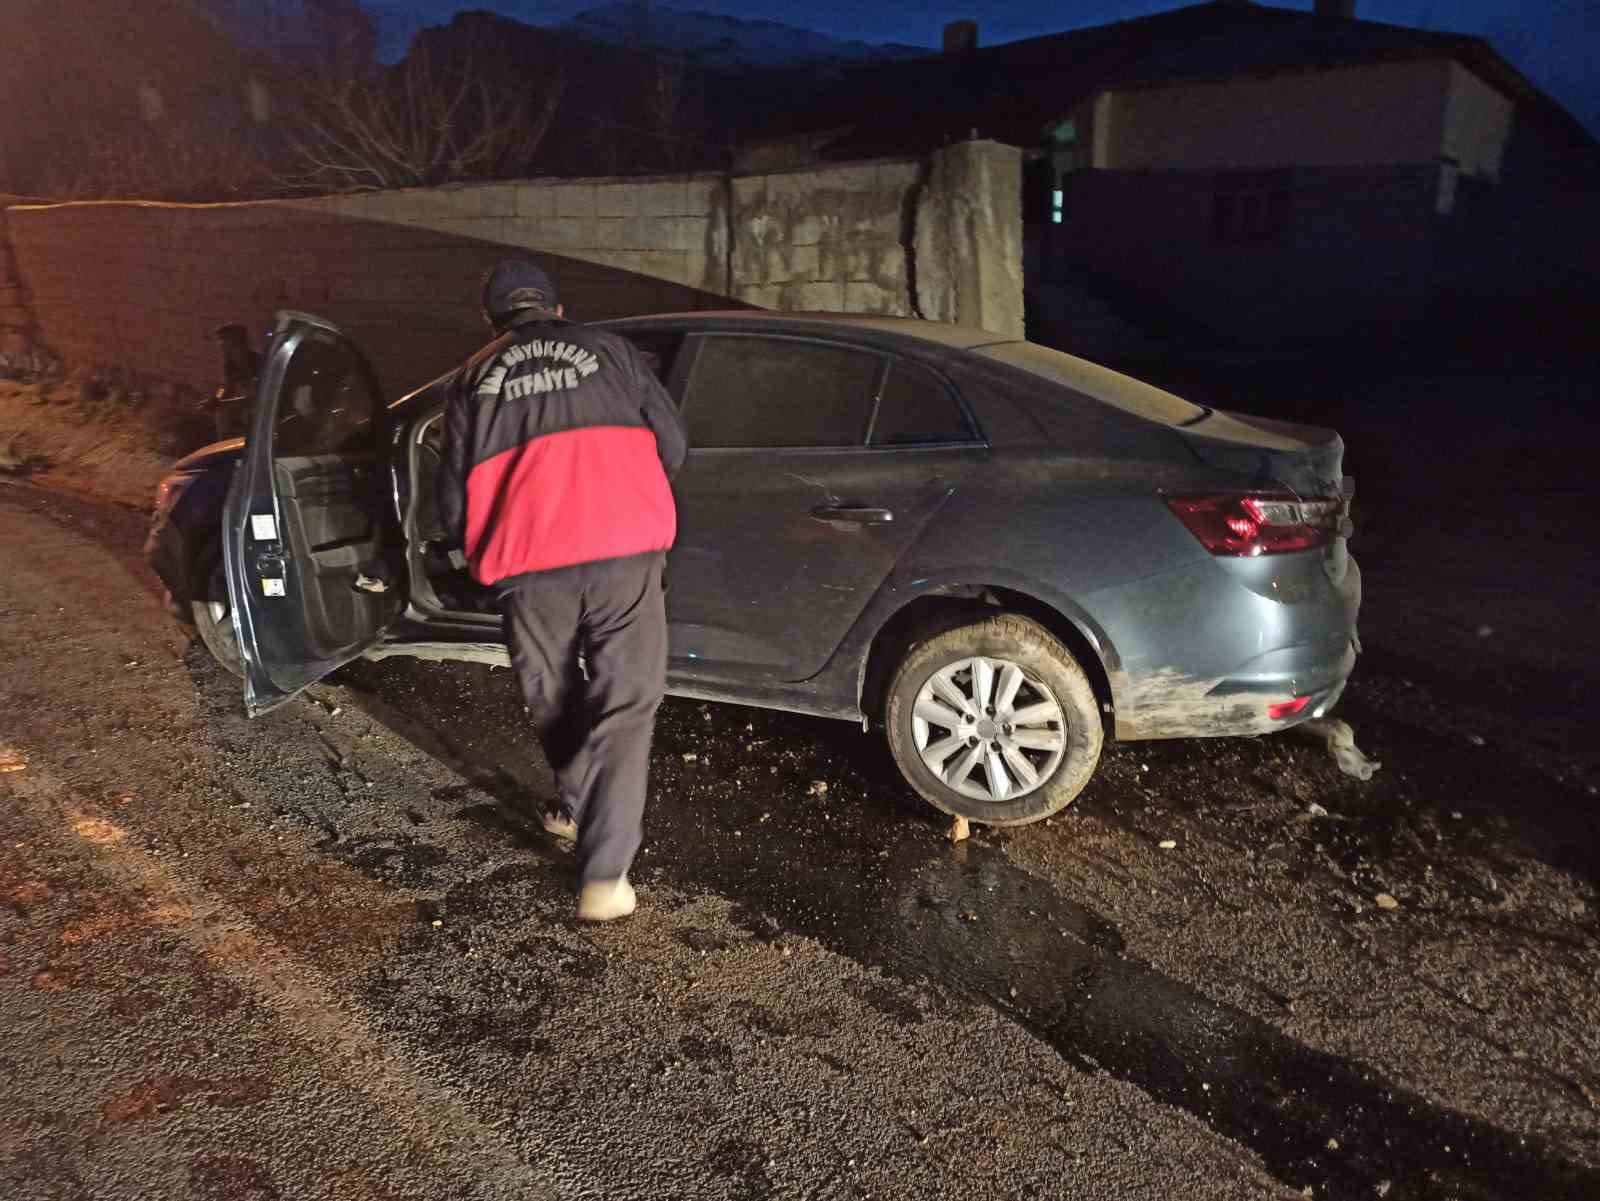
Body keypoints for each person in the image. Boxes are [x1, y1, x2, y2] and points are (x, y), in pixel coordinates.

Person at [437, 260, 687, 922]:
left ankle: (577, 806)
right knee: (625, 702)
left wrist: (471, 551)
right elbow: (674, 443)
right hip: (622, 551)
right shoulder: (612, 351)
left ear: (490, 320)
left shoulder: (471, 378)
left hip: (528, 562)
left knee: (551, 691)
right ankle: (604, 874)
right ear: (557, 307)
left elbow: (452, 497)